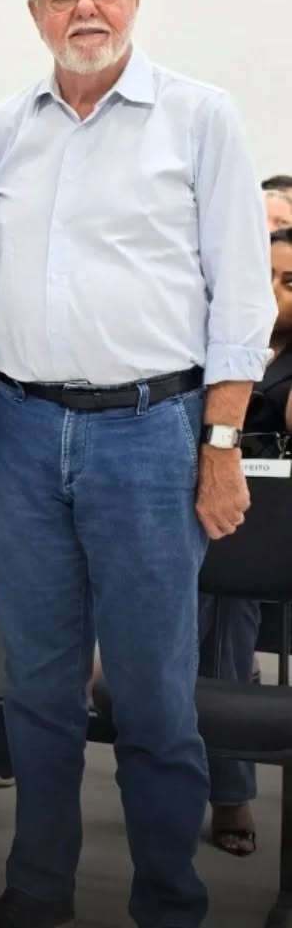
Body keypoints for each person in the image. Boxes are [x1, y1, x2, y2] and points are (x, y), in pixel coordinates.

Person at [0, 0, 274, 928]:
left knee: (151, 695)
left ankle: (168, 902)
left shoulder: (198, 115)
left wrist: (219, 446)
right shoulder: (0, 128)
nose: (85, 9)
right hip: (18, 432)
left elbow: (243, 297)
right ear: (35, 16)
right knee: (38, 687)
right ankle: (38, 887)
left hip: (149, 436)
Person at [197, 226, 292, 858]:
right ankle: (177, 780)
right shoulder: (214, 338)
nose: (276, 292)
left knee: (229, 620)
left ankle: (231, 791)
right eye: (267, 277)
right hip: (183, 500)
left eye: (290, 282)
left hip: (260, 524)